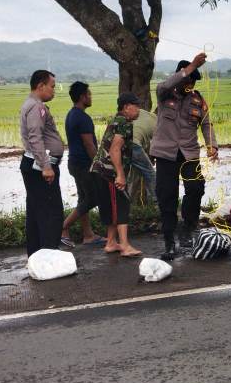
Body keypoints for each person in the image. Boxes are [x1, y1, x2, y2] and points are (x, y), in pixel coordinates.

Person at [151, 53, 217, 261]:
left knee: (196, 189)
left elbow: (206, 124)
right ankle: (169, 242)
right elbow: (166, 84)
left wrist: (212, 145)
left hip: (189, 153)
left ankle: (187, 229)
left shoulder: (198, 100)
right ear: (181, 78)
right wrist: (192, 66)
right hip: (165, 154)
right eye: (188, 80)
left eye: (194, 81)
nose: (191, 84)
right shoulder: (165, 94)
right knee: (167, 196)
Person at [90, 93, 143, 257]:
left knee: (113, 207)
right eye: (136, 106)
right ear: (126, 107)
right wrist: (120, 175)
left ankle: (111, 242)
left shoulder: (117, 119)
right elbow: (115, 149)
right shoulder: (124, 122)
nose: (139, 109)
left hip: (101, 171)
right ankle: (125, 246)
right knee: (121, 205)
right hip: (109, 173)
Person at [19, 70, 65, 256]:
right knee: (50, 212)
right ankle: (49, 255)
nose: (54, 91)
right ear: (40, 86)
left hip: (35, 164)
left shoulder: (30, 105)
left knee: (37, 211)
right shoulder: (37, 107)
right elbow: (35, 137)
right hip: (40, 167)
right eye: (52, 87)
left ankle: (37, 255)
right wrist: (46, 167)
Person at [61, 81, 103, 248]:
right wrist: (98, 165)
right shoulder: (83, 118)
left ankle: (88, 235)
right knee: (93, 198)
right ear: (82, 97)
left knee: (83, 198)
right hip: (84, 164)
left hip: (74, 163)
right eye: (89, 94)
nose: (91, 97)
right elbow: (89, 145)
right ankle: (63, 227)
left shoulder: (71, 114)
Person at [129, 107, 158, 205]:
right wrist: (153, 158)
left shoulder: (145, 114)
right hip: (134, 145)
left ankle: (126, 206)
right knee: (150, 172)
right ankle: (158, 201)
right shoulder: (159, 122)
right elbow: (157, 145)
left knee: (131, 176)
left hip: (124, 143)